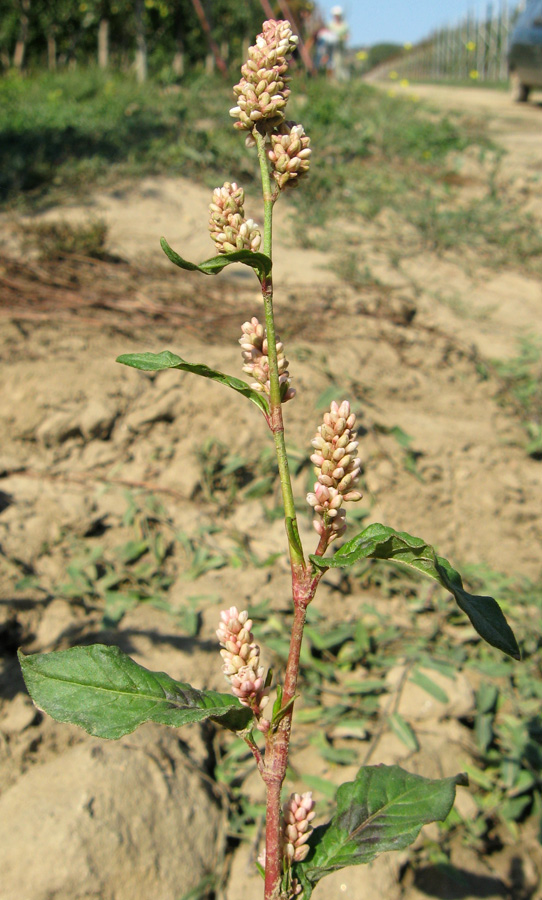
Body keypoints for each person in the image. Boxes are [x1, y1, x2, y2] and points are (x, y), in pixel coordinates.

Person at [326, 5, 350, 81]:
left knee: (340, 63)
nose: (336, 17)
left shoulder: (344, 25)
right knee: (331, 63)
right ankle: (332, 80)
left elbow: (347, 35)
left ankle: (340, 79)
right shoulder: (330, 25)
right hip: (331, 48)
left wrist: (342, 38)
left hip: (340, 47)